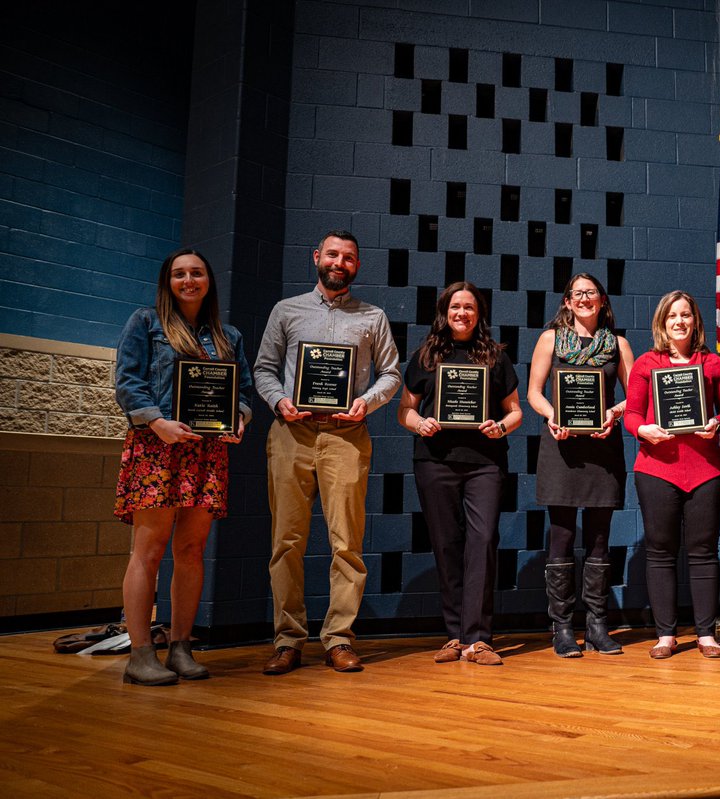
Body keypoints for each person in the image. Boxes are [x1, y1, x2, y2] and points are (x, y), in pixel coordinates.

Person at [254, 230, 401, 675]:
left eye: (349, 258)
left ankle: (339, 638)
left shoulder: (373, 317)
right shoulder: (286, 310)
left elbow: (391, 374)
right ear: (316, 256)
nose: (340, 262)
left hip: (346, 437)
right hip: (291, 435)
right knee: (286, 543)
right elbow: (263, 369)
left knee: (347, 545)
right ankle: (288, 640)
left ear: (357, 266)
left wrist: (366, 403)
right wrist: (280, 400)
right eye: (333, 254)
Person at [114, 248, 254, 685]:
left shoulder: (228, 335)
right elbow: (128, 382)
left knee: (191, 551)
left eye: (196, 273)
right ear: (168, 282)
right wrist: (158, 423)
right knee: (149, 550)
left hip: (207, 452)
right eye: (179, 274)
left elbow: (243, 391)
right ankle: (140, 653)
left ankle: (180, 647)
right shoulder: (145, 323)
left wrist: (239, 419)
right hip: (157, 446)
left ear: (209, 280)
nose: (188, 280)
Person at [398, 282, 523, 666]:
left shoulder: (496, 357)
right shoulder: (426, 355)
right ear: (445, 311)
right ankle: (455, 636)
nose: (462, 313)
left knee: (482, 542)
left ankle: (478, 639)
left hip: (485, 463)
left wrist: (500, 427)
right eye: (455, 307)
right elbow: (405, 410)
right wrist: (420, 424)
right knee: (447, 545)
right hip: (435, 462)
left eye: (469, 307)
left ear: (478, 314)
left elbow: (515, 412)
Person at [624, 291, 720, 659]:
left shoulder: (713, 363)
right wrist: (644, 430)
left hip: (706, 471)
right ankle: (665, 635)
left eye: (686, 315)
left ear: (695, 321)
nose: (679, 321)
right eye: (672, 316)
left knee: (703, 552)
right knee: (660, 552)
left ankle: (706, 634)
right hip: (656, 470)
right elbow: (631, 415)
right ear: (661, 322)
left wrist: (717, 423)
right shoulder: (646, 364)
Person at [527, 273, 633, 658]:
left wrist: (614, 413)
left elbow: (635, 396)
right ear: (567, 302)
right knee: (562, 536)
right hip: (562, 448)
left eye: (591, 293)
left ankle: (597, 625)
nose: (585, 299)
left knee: (600, 538)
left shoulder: (618, 344)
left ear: (602, 300)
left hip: (603, 449)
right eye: (578, 293)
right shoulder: (550, 339)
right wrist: (552, 414)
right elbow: (534, 393)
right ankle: (562, 628)